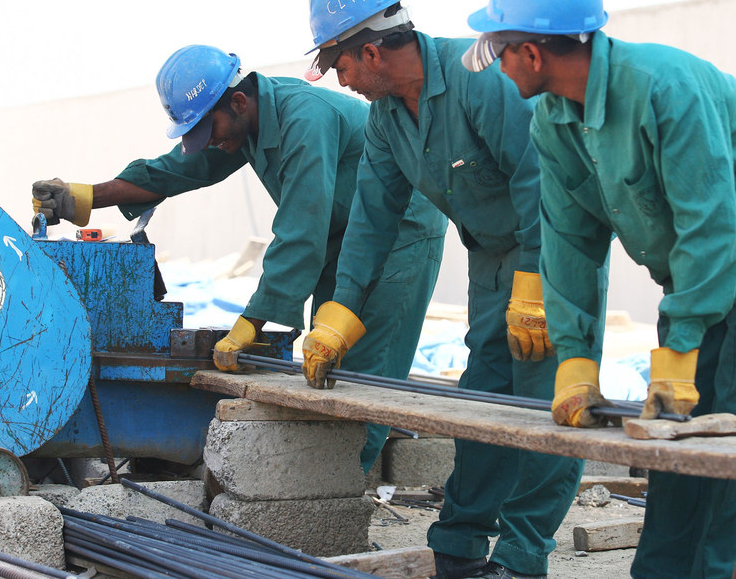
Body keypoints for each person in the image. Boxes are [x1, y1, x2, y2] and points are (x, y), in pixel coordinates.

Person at [464, 0, 736, 579]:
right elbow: (569, 242)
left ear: (532, 52)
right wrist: (576, 361)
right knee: (674, 435)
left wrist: (681, 346)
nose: (492, 63)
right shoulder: (553, 118)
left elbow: (710, 226)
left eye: (497, 48)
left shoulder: (665, 87)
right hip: (694, 265)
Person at [31, 44, 447, 473]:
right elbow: (173, 171)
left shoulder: (305, 117)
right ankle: (322, 486)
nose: (212, 143)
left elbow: (302, 227)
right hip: (340, 240)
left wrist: (253, 321)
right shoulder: (240, 124)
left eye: (211, 132)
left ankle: (337, 497)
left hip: (401, 234)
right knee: (329, 370)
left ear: (239, 101)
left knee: (363, 377)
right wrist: (84, 199)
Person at [300, 0, 583, 579]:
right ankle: (458, 543)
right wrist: (340, 314)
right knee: (485, 398)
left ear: (370, 51)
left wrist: (535, 285)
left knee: (545, 403)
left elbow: (544, 184)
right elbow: (373, 220)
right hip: (491, 255)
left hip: (557, 247)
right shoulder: (386, 119)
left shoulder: (479, 79)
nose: (342, 82)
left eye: (340, 65)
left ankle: (521, 555)